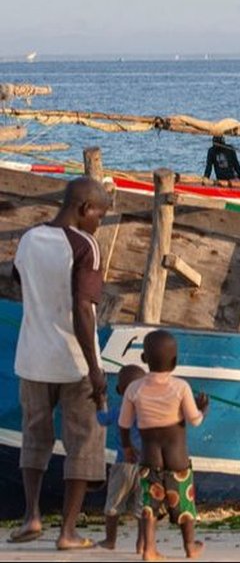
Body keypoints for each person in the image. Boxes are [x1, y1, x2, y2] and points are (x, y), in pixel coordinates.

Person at [10, 176, 111, 549]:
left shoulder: (30, 239)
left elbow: (20, 280)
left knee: (34, 436)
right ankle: (67, 531)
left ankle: (31, 515)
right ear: (85, 209)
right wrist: (95, 369)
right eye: (99, 215)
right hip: (74, 361)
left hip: (32, 356)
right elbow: (83, 309)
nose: (99, 222)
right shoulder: (86, 245)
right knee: (84, 441)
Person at [119, 329, 208, 561]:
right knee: (185, 506)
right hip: (177, 461)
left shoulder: (134, 389)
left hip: (149, 458)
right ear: (175, 361)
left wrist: (127, 447)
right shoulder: (180, 387)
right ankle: (190, 546)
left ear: (145, 360)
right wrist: (202, 409)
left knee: (149, 505)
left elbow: (124, 424)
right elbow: (195, 420)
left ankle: (149, 548)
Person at [97, 364, 146, 551]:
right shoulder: (148, 412)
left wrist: (100, 401)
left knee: (113, 505)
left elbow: (101, 419)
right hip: (144, 466)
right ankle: (142, 543)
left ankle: (110, 540)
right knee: (142, 508)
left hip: (122, 465)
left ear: (119, 390)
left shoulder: (119, 411)